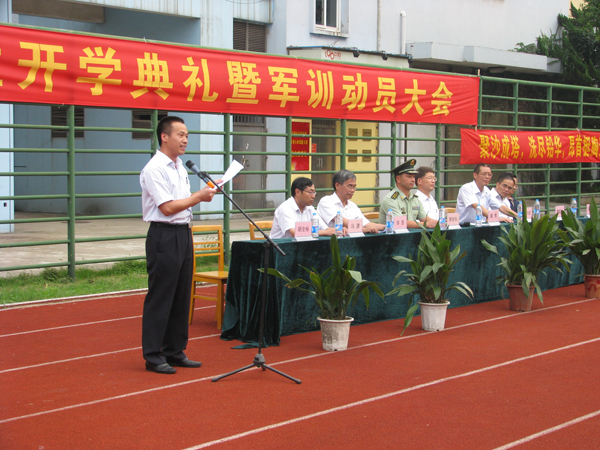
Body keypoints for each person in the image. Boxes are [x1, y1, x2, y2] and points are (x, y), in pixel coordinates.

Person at [140, 116, 220, 375]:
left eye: (187, 135)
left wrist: (201, 197)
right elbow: (167, 207)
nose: (185, 140)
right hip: (164, 236)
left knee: (181, 295)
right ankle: (153, 356)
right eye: (180, 135)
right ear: (164, 137)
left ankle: (174, 350)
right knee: (161, 297)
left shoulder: (179, 167)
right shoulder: (155, 169)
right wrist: (198, 197)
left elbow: (182, 202)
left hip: (184, 234)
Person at [317, 170, 384, 234]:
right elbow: (342, 221)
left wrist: (385, 227)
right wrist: (363, 229)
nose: (352, 190)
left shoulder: (352, 205)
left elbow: (365, 224)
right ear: (337, 185)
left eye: (354, 187)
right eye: (349, 186)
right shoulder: (326, 201)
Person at [270, 177, 337, 239]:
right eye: (310, 192)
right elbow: (295, 233)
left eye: (314, 192)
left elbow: (326, 229)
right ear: (298, 192)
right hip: (280, 246)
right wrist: (325, 232)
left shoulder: (310, 209)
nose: (313, 196)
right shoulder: (285, 208)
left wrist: (338, 230)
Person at [378, 159, 437, 228]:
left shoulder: (415, 199)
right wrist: (426, 224)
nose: (413, 180)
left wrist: (440, 223)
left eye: (414, 176)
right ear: (398, 179)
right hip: (394, 234)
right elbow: (400, 222)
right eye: (409, 176)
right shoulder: (391, 199)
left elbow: (425, 218)